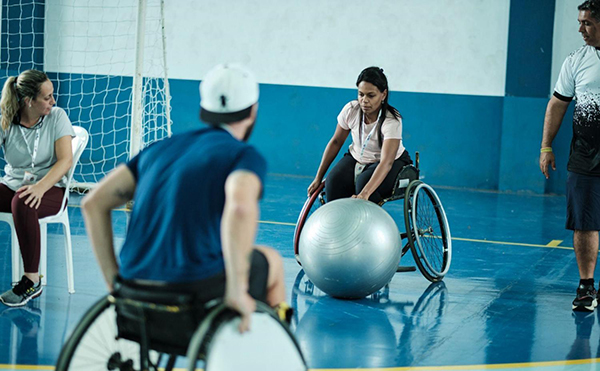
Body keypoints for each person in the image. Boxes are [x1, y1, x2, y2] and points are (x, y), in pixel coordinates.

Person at [81, 63, 289, 332]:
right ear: (253, 111)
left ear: (205, 109)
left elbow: (92, 203)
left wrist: (114, 282)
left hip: (132, 288)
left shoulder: (158, 149)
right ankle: (268, 349)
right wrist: (237, 289)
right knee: (271, 260)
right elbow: (240, 208)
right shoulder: (242, 155)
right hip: (193, 290)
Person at [539, 0, 600, 312]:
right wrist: (546, 146)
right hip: (585, 156)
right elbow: (558, 104)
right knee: (584, 222)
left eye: (587, 23)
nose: (581, 29)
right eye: (579, 22)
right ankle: (587, 287)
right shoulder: (577, 60)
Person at [0, 70, 74, 307]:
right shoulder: (6, 118)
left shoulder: (57, 116)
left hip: (51, 188)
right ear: (28, 101)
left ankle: (32, 280)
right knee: (20, 196)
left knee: (24, 200)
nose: (53, 101)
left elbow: (65, 160)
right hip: (13, 185)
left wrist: (40, 187)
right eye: (47, 97)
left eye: (52, 95)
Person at [307, 66, 411, 204]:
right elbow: (336, 142)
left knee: (364, 183)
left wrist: (365, 193)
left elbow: (387, 162)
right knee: (333, 181)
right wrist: (318, 177)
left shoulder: (391, 119)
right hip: (357, 157)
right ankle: (338, 223)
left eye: (371, 95)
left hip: (389, 162)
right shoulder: (351, 110)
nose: (364, 100)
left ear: (383, 95)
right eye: (361, 94)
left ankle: (365, 222)